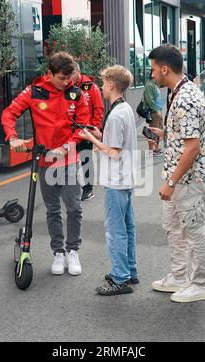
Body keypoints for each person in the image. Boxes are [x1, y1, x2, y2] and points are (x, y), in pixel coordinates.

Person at [1, 52, 90, 276]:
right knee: (52, 210)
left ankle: (73, 251)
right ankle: (58, 253)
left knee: (74, 207)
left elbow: (82, 127)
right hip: (44, 161)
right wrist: (13, 138)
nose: (65, 82)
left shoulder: (76, 94)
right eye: (61, 78)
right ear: (49, 74)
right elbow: (9, 113)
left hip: (69, 159)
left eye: (68, 78)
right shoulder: (34, 92)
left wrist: (66, 147)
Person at [148, 44, 205, 303]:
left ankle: (200, 284)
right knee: (174, 228)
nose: (152, 74)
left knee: (192, 229)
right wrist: (166, 133)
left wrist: (170, 182)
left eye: (154, 69)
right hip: (179, 175)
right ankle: (179, 277)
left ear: (165, 69)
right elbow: (187, 135)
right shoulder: (179, 90)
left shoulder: (185, 98)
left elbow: (193, 148)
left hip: (187, 178)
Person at [79, 65, 138, 296]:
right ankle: (130, 271)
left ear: (112, 85)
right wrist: (99, 134)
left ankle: (120, 278)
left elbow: (112, 152)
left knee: (115, 231)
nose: (102, 87)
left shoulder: (114, 115)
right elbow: (118, 144)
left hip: (116, 180)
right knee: (128, 228)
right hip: (127, 179)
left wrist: (90, 138)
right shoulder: (125, 109)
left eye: (104, 83)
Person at [71, 63, 104, 201]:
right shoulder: (67, 87)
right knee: (70, 160)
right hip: (70, 131)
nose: (69, 78)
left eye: (71, 74)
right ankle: (71, 188)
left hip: (86, 130)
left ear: (78, 72)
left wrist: (93, 129)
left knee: (86, 159)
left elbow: (98, 109)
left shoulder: (91, 87)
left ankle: (88, 189)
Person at [143, 72, 164, 156]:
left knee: (158, 131)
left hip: (158, 111)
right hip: (154, 112)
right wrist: (155, 110)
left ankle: (156, 148)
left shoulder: (155, 84)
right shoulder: (149, 85)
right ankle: (151, 151)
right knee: (153, 131)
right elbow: (149, 99)